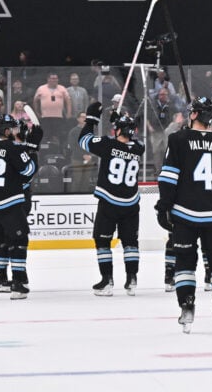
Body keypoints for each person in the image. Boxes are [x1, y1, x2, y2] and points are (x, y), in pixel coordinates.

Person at [157, 96, 212, 333]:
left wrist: (164, 206)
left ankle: (186, 308)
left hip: (185, 212)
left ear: (194, 115)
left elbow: (169, 176)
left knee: (185, 261)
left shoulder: (178, 139)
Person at [80, 112, 145, 296]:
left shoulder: (108, 145)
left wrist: (92, 120)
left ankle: (107, 280)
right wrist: (120, 123)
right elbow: (128, 141)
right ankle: (132, 279)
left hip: (109, 202)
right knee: (131, 242)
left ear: (118, 130)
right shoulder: (139, 148)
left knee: (102, 240)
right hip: (131, 203)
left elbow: (84, 139)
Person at [0, 115, 37, 300]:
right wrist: (32, 152)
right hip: (8, 202)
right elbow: (28, 171)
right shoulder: (11, 147)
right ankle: (18, 283)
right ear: (6, 131)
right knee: (19, 241)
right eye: (12, 129)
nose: (15, 132)